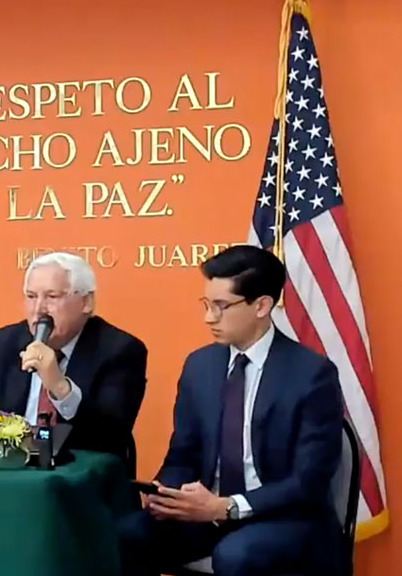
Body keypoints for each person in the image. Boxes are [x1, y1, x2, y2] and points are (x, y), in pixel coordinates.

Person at [118, 245, 345, 576]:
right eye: (206, 305)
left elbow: (307, 481)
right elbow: (184, 452)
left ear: (262, 306)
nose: (209, 317)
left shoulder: (311, 374)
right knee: (129, 534)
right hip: (208, 513)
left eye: (222, 306)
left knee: (237, 555)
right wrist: (166, 493)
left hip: (283, 517)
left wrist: (228, 507)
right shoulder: (200, 365)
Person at [0, 252, 147, 461]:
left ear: (86, 302)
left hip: (82, 482)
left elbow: (111, 437)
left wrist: (59, 386)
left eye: (52, 297)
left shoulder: (120, 350)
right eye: (31, 296)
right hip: (8, 479)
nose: (39, 310)